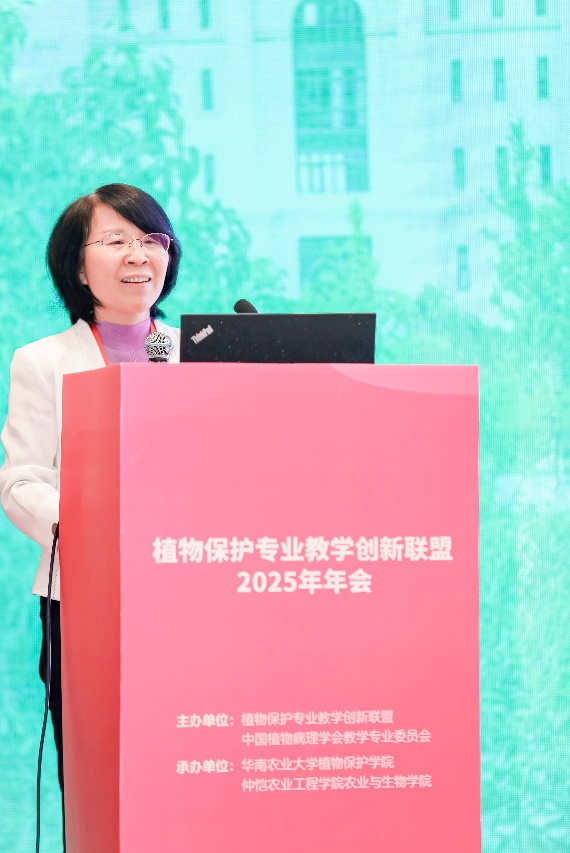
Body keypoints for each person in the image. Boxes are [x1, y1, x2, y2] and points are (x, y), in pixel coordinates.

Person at [0, 184, 182, 848]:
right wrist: (96, 526)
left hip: (192, 595)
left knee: (189, 768)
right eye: (116, 241)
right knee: (102, 780)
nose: (139, 254)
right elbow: (21, 479)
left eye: (151, 240)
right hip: (85, 600)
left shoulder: (200, 350)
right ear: (77, 266)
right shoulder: (44, 360)